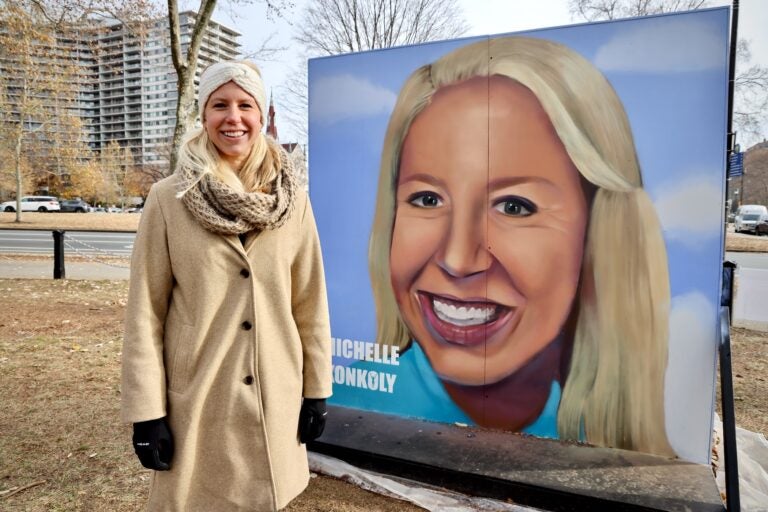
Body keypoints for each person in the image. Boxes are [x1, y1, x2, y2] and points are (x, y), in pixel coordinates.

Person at [368, 36, 675, 457]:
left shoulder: (608, 433)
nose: (458, 259)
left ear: (599, 231)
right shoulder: (362, 399)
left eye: (514, 206)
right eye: (427, 199)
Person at [121, 60, 332, 510]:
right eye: (220, 105)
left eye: (245, 105)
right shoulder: (168, 199)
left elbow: (310, 301)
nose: (232, 117)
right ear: (204, 114)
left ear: (260, 115)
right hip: (200, 397)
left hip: (274, 394)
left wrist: (317, 391)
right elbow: (145, 313)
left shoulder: (293, 200)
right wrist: (146, 414)